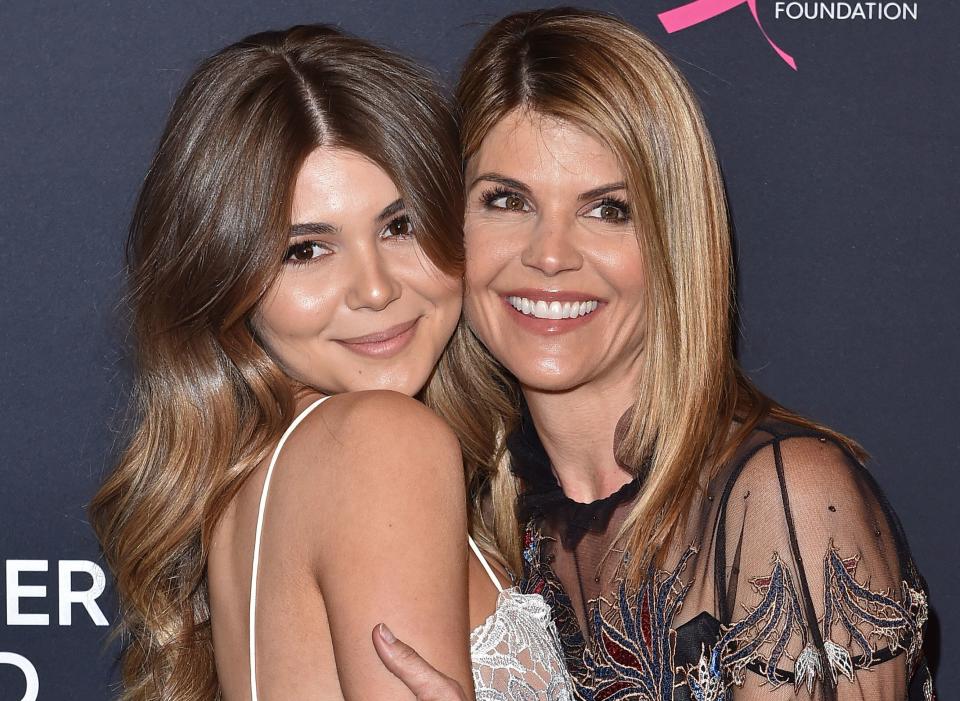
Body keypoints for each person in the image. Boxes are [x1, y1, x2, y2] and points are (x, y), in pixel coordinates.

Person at [376, 8, 935, 700]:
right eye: (507, 200)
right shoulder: (474, 521)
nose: (549, 255)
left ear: (675, 240)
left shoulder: (786, 497)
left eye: (608, 209)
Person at [90, 24, 571, 700]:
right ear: (228, 279)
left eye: (399, 226)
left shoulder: (256, 486)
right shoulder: (380, 441)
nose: (375, 288)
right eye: (306, 249)